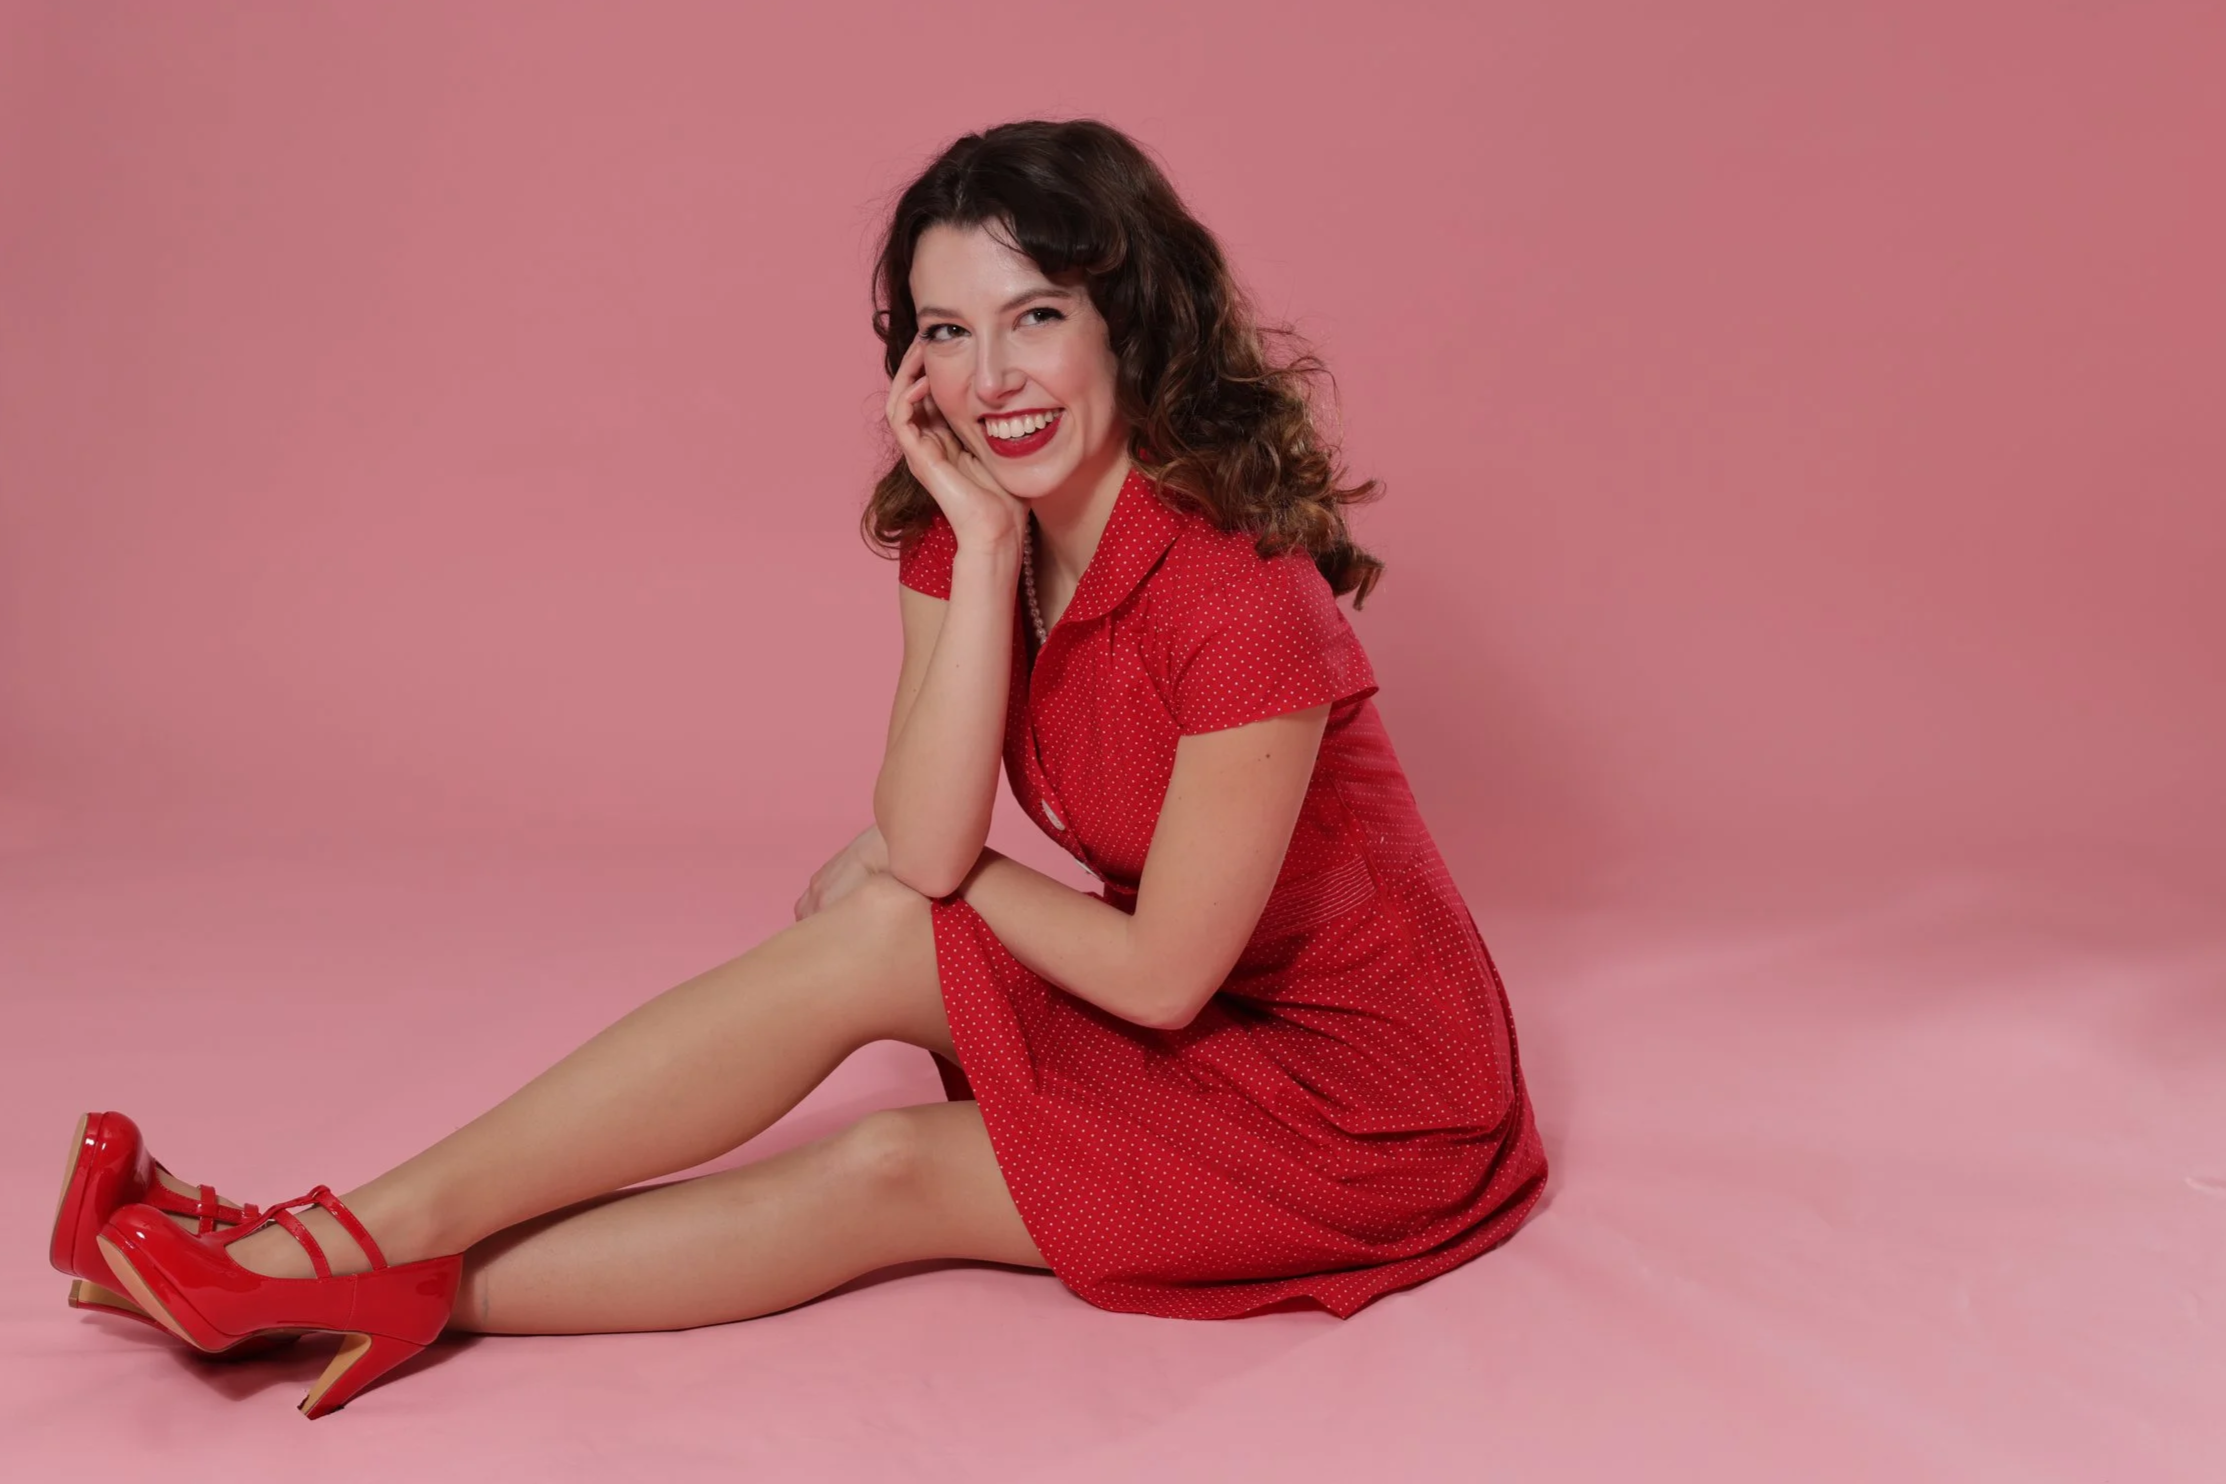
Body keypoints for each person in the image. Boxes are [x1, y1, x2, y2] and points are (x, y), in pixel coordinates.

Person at [54, 118, 1548, 1420]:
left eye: (1033, 318)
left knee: (888, 1154)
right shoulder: (971, 525)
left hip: (1359, 1106)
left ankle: (305, 1269)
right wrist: (980, 568)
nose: (991, 376)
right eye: (945, 331)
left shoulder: (1235, 594)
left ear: (1127, 327)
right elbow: (922, 826)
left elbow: (1132, 960)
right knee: (889, 917)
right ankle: (314, 1259)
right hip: (1196, 1012)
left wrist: (926, 879)